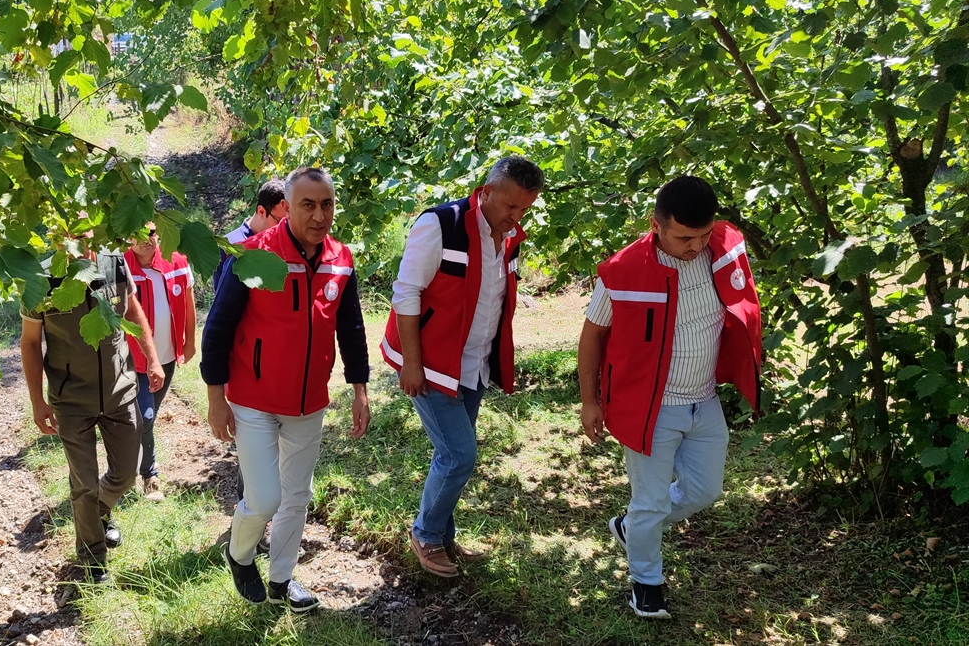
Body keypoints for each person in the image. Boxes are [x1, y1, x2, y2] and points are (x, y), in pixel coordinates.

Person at [576, 176, 762, 619]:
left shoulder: (724, 246)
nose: (695, 246)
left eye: (703, 234)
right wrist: (590, 400)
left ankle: (631, 528)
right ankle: (646, 582)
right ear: (655, 225)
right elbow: (591, 337)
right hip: (650, 408)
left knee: (705, 490)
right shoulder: (622, 271)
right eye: (683, 237)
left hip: (705, 400)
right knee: (651, 502)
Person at [202, 166, 371, 613]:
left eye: (327, 204)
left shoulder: (341, 259)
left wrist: (360, 387)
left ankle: (281, 579)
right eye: (308, 204)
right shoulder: (254, 255)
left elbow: (351, 328)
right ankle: (239, 554)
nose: (319, 215)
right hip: (253, 398)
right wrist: (216, 398)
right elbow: (217, 328)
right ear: (287, 207)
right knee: (264, 498)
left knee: (297, 497)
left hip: (308, 401)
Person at [381, 156, 544, 578]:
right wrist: (411, 365)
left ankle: (443, 534)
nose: (516, 217)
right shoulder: (441, 224)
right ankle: (426, 534)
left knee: (451, 452)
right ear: (486, 192)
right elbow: (406, 293)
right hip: (431, 364)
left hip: (473, 364)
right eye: (510, 207)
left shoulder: (509, 237)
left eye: (525, 209)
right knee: (459, 454)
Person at [19, 236, 165, 583]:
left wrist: (152, 357)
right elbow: (29, 341)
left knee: (126, 474)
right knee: (83, 483)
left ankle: (98, 513)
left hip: (120, 390)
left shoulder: (113, 263)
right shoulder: (40, 279)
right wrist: (37, 400)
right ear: (57, 235)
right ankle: (93, 561)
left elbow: (131, 309)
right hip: (71, 400)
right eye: (70, 231)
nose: (79, 239)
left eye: (86, 230)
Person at [124, 224, 196, 502]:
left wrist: (188, 342)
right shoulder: (121, 268)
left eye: (151, 233)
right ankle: (148, 475)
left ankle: (126, 467)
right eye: (138, 234)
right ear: (127, 238)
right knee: (146, 416)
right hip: (133, 360)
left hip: (166, 358)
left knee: (146, 417)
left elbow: (188, 304)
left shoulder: (176, 262)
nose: (146, 240)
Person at [214, 178, 289, 287]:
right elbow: (222, 299)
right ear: (261, 211)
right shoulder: (229, 245)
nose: (284, 227)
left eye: (288, 222)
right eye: (279, 221)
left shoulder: (287, 244)